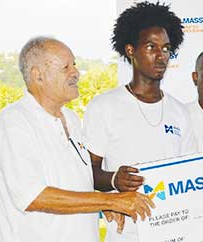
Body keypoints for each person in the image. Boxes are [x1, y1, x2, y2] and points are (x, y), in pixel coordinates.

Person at [0, 36, 155, 242]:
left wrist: (103, 206)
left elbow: (76, 182)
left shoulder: (71, 119)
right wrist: (110, 201)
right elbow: (32, 197)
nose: (76, 73)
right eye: (66, 67)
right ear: (38, 75)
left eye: (75, 65)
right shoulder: (14, 121)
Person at [83, 2, 195, 241]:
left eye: (166, 48)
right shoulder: (104, 107)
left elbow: (191, 173)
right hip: (126, 234)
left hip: (176, 231)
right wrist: (114, 179)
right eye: (151, 46)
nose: (160, 55)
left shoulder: (179, 112)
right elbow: (84, 173)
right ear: (131, 50)